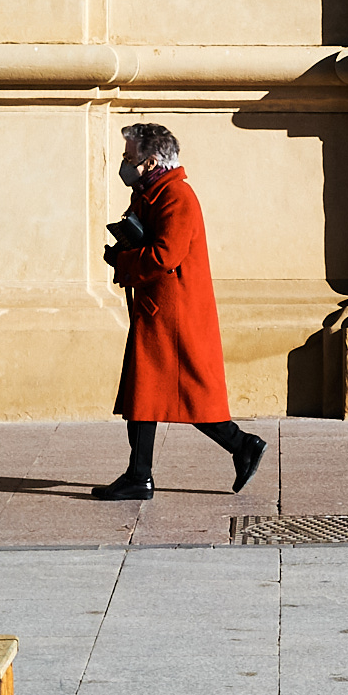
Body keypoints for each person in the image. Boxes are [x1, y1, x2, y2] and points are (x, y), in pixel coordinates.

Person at [94, 124, 265, 500]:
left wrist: (125, 262)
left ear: (150, 160)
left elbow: (165, 254)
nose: (124, 164)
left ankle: (242, 444)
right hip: (158, 306)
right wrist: (123, 252)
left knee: (183, 393)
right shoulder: (153, 193)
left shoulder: (176, 196)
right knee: (146, 393)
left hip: (173, 312)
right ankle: (140, 475)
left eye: (128, 158)